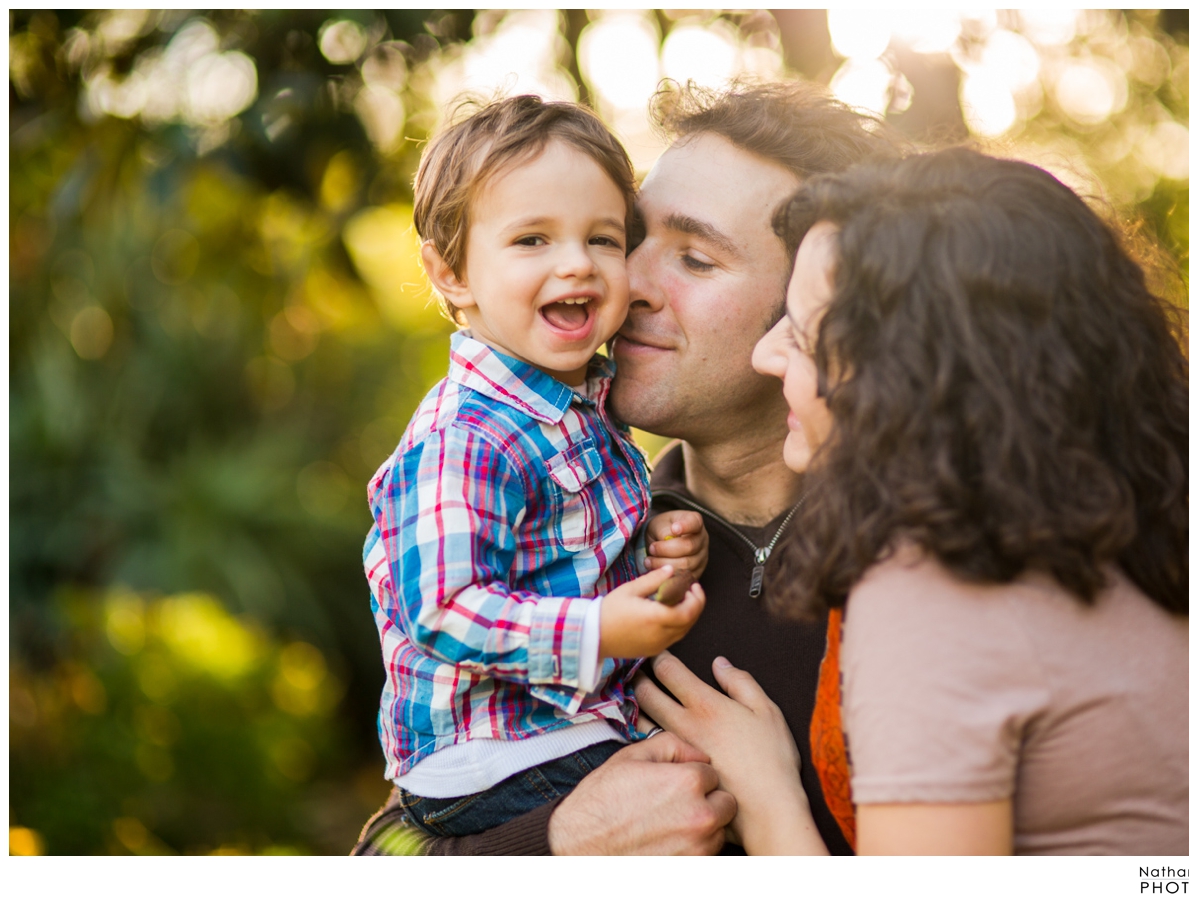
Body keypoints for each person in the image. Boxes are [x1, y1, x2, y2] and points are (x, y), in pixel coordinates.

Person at [641, 147, 1189, 855]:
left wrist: (765, 798)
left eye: (802, 334)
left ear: (906, 368)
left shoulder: (938, 584)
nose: (770, 358)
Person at [352, 81, 902, 855]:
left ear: (813, 307)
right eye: (634, 237)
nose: (622, 282)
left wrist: (776, 806)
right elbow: (385, 849)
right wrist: (561, 842)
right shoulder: (575, 547)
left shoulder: (918, 561)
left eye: (695, 258)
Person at [364, 95, 710, 840]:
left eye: (604, 238)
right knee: (705, 800)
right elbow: (443, 610)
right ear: (451, 272)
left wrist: (658, 546)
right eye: (531, 239)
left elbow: (565, 552)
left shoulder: (579, 402)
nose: (577, 263)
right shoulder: (468, 436)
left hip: (559, 726)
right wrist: (597, 631)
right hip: (493, 754)